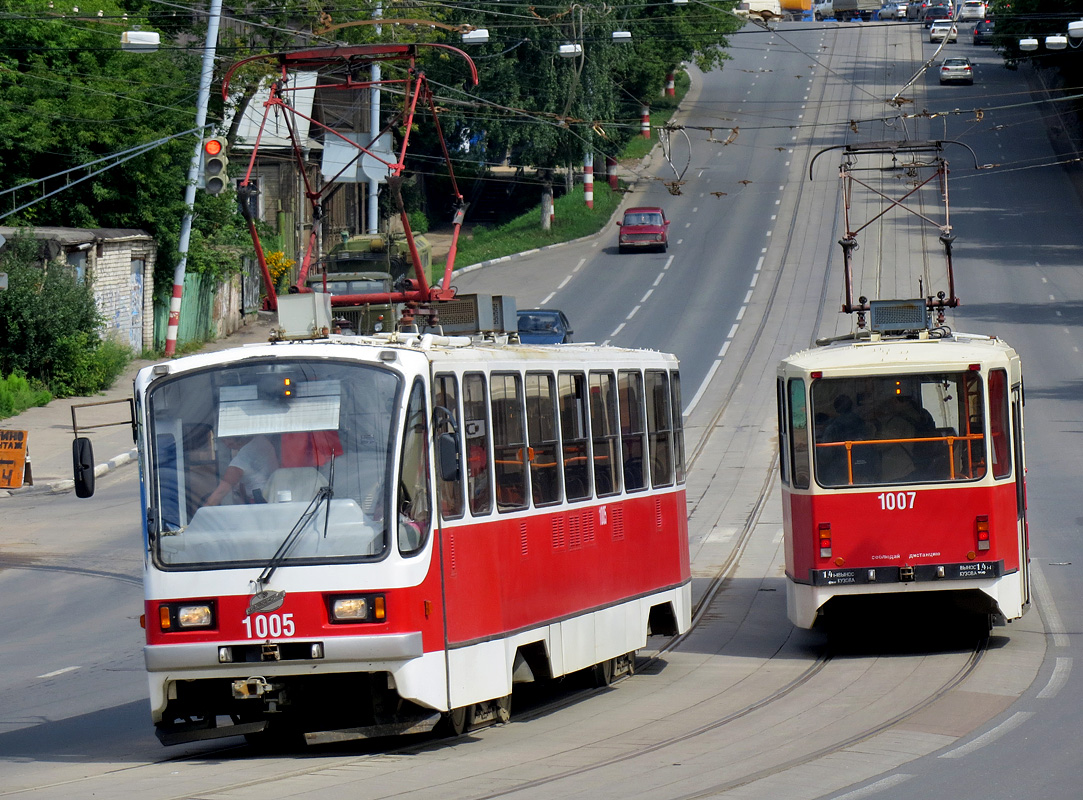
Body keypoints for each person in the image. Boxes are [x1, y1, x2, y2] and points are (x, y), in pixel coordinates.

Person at [205, 434, 279, 505]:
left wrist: (205, 508)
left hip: (261, 501)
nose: (227, 444)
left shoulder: (243, 457)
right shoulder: (260, 439)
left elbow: (222, 490)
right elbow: (242, 485)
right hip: (274, 496)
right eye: (223, 440)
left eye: (228, 439)